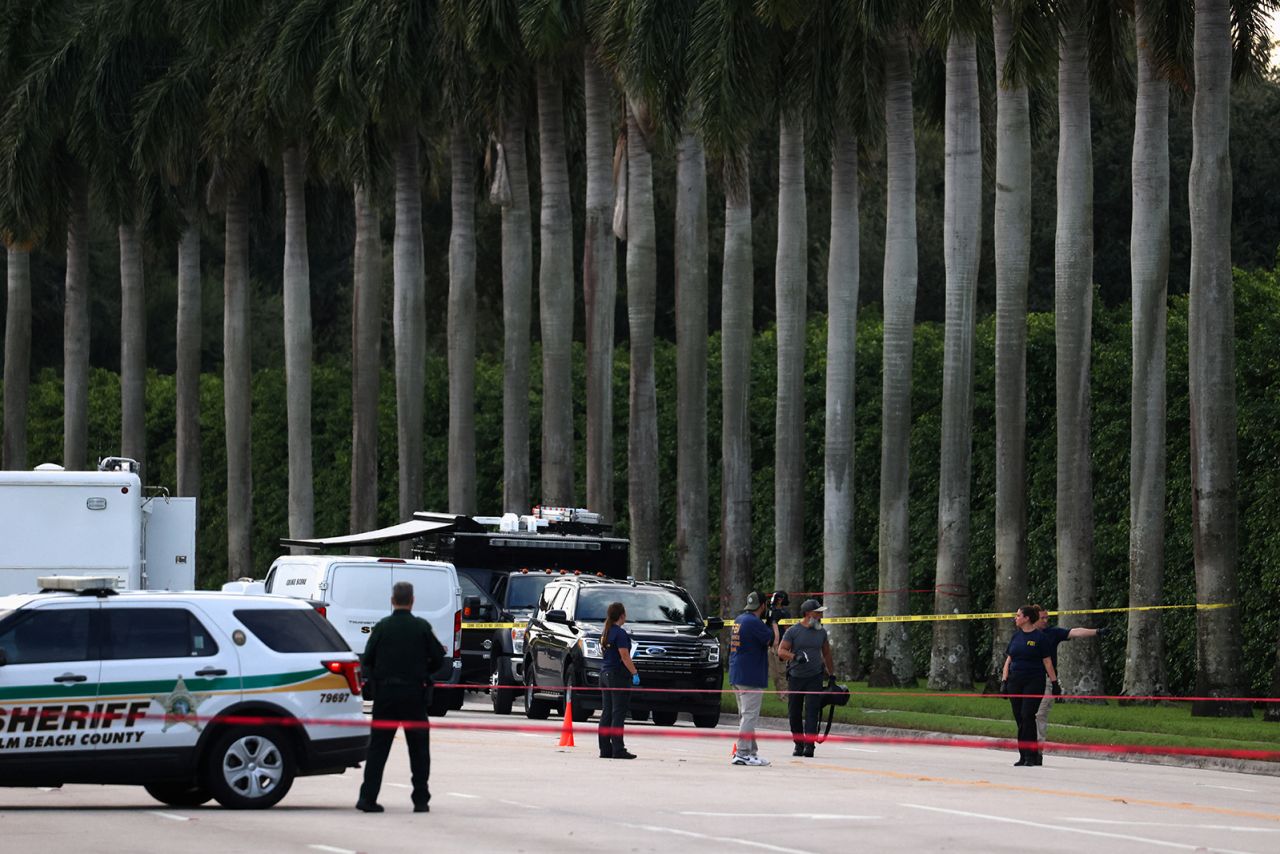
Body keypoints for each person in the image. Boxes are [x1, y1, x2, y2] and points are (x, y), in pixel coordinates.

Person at [357, 581, 446, 813]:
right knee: (418, 749)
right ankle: (420, 799)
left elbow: (366, 659)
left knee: (378, 749)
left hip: (385, 695)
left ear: (392, 600)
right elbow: (438, 657)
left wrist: (377, 676)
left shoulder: (383, 627)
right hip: (414, 695)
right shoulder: (421, 627)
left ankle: (367, 797)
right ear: (412, 600)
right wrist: (424, 672)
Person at [1031, 603, 1105, 752]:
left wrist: (1096, 632)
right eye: (1042, 618)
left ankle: (1037, 749)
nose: (1045, 621)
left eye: (1047, 617)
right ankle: (1026, 748)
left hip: (1046, 679)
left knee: (1041, 714)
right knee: (1026, 714)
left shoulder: (1052, 633)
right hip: (1027, 678)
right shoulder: (1024, 635)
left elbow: (1075, 632)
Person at [999, 605, 1057, 767]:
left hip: (1034, 680)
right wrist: (1004, 681)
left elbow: (1047, 661)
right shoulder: (1015, 637)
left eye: (1018, 615)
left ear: (1026, 618)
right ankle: (1023, 755)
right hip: (1015, 681)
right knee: (1019, 717)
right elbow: (1008, 660)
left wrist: (1054, 682)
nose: (1015, 618)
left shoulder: (1040, 638)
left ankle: (1032, 755)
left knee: (1027, 715)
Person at [729, 590, 780, 767]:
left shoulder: (740, 620)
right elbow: (773, 641)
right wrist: (773, 621)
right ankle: (742, 753)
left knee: (745, 716)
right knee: (749, 717)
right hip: (750, 675)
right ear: (763, 606)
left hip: (738, 673)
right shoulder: (754, 623)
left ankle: (751, 752)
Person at [777, 598, 834, 758]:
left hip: (815, 676)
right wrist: (795, 657)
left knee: (812, 711)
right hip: (796, 677)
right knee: (794, 712)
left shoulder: (821, 632)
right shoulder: (793, 631)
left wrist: (832, 674)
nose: (820, 616)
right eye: (818, 613)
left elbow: (827, 653)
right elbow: (781, 651)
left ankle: (810, 745)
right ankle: (798, 743)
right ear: (808, 614)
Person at [598, 601, 640, 760]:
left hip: (605, 674)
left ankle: (605, 748)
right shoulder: (620, 633)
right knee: (618, 713)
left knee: (607, 712)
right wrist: (634, 672)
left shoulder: (606, 632)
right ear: (622, 615)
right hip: (617, 675)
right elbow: (624, 655)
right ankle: (618, 749)